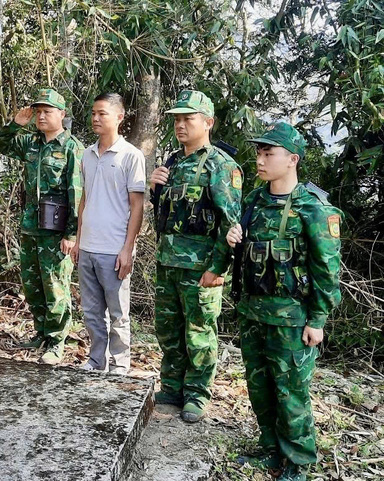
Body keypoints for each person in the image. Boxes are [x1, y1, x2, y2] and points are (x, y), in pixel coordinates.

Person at [226, 122, 342, 481]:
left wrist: (318, 320)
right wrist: (235, 240)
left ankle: (299, 462)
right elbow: (248, 254)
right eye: (259, 152)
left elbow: (327, 269)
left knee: (291, 393)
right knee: (259, 388)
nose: (259, 160)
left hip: (292, 320)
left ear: (292, 159)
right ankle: (271, 451)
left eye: (268, 153)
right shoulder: (255, 201)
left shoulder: (315, 209)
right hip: (253, 313)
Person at [149, 90, 242, 422]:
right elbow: (166, 216)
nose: (181, 125)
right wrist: (155, 190)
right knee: (169, 331)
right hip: (168, 263)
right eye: (177, 119)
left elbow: (232, 224)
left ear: (208, 122)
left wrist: (218, 268)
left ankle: (198, 394)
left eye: (188, 118)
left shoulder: (221, 165)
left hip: (201, 267)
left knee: (199, 333)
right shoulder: (173, 162)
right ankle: (172, 387)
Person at [0, 89, 84, 365]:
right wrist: (16, 123)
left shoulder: (71, 148)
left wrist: (71, 233)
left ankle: (57, 342)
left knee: (55, 285)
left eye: (48, 111)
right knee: (33, 285)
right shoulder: (31, 143)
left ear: (62, 115)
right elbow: (2, 144)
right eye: (39, 111)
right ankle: (41, 333)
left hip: (56, 231)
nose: (42, 116)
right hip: (31, 226)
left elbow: (76, 193)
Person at [71, 93, 145, 374]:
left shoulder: (131, 155)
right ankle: (96, 359)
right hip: (88, 246)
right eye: (93, 113)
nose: (95, 118)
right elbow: (85, 199)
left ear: (119, 117)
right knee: (91, 311)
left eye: (102, 113)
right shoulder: (87, 155)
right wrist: (78, 241)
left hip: (114, 248)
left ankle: (120, 362)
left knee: (117, 312)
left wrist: (128, 248)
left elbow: (136, 206)